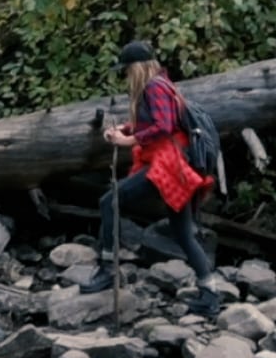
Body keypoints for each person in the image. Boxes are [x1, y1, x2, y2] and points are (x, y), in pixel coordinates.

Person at [81, 40, 221, 318]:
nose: (125, 75)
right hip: (180, 165)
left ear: (138, 67)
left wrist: (128, 140)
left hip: (167, 164)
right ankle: (210, 294)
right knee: (182, 232)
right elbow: (158, 121)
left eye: (127, 69)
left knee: (110, 200)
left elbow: (164, 126)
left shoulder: (154, 87)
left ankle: (109, 268)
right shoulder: (164, 85)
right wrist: (126, 127)